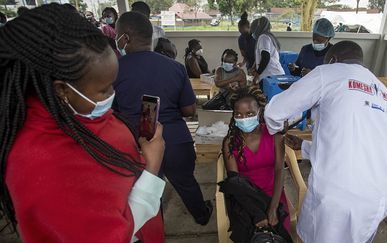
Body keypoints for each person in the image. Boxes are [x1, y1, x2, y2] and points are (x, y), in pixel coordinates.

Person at [0, 3, 166, 242]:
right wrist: (151, 169)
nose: (111, 95)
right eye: (103, 89)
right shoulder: (41, 164)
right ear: (61, 90)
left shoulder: (74, 107)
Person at [264, 41, 387, 243]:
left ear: (333, 60)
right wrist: (304, 146)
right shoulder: (382, 90)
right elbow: (360, 141)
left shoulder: (327, 72)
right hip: (384, 191)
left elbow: (275, 112)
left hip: (343, 192)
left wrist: (275, 133)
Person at [113, 12, 213, 226]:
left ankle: (150, 226)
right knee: (186, 182)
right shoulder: (175, 67)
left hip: (134, 143)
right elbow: (188, 110)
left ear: (125, 38)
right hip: (175, 140)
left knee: (144, 189)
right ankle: (202, 216)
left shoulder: (113, 69)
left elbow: (112, 111)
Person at [221, 87, 291, 241]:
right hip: (245, 198)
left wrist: (272, 208)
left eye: (249, 114)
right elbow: (236, 183)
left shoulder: (275, 135)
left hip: (273, 193)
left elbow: (280, 170)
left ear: (260, 112)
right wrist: (257, 213)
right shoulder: (231, 142)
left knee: (280, 230)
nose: (243, 118)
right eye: (238, 114)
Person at [250, 17, 285, 87]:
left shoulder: (263, 37)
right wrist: (255, 66)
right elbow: (263, 55)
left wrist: (257, 73)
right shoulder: (269, 36)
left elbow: (266, 56)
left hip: (270, 75)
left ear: (257, 28)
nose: (252, 32)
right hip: (275, 75)